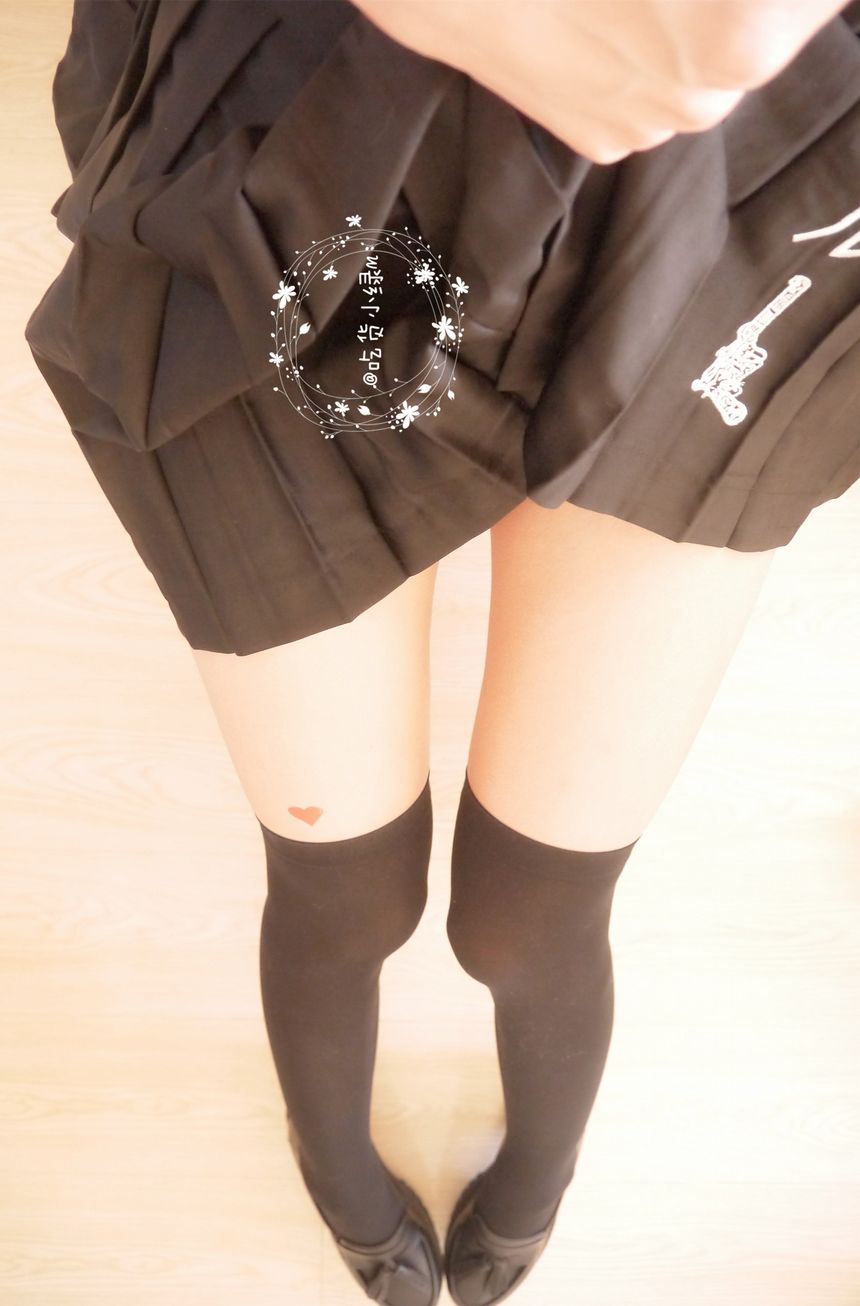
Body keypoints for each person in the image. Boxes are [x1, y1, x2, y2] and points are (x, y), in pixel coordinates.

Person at [23, 3, 860, 1304]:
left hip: (732, 193)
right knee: (346, 891)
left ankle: (541, 1176)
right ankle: (334, 1162)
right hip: (314, 136)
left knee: (530, 912)